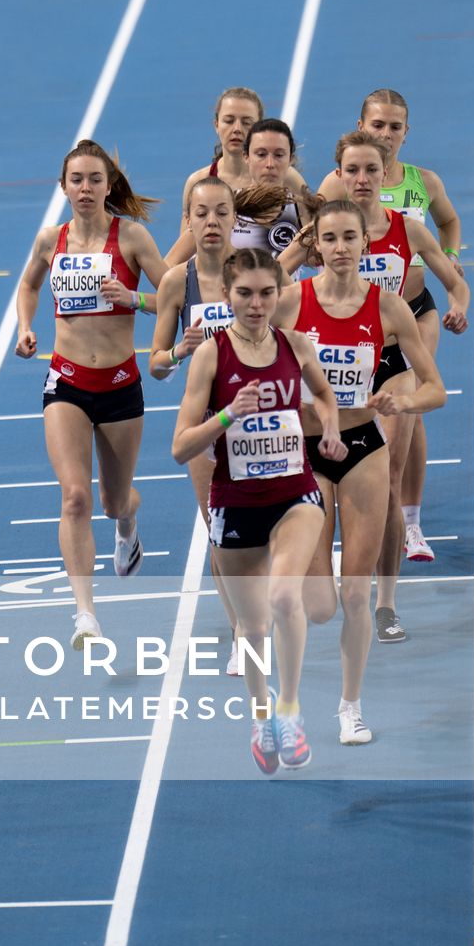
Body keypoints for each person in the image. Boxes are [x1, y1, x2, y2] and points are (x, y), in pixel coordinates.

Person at [172, 247, 346, 774]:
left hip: (295, 495)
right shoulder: (210, 355)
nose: (256, 304)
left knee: (285, 595)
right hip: (235, 501)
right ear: (227, 295)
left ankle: (290, 711)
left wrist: (330, 428)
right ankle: (262, 714)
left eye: (266, 293)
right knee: (251, 629)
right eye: (245, 294)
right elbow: (180, 447)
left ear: (278, 293)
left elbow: (325, 395)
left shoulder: (296, 344)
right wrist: (227, 415)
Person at [290, 198, 446, 730]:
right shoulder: (290, 302)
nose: (340, 248)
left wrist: (403, 401)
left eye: (349, 238)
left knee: (355, 594)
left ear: (365, 243)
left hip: (363, 448)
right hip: (307, 452)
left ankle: (350, 708)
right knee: (320, 606)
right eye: (329, 238)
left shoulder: (389, 308)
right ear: (317, 245)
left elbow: (435, 389)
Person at [15, 140, 166, 648]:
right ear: (63, 187)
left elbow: (174, 296)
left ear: (108, 185)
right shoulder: (49, 240)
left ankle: (128, 525)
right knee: (75, 497)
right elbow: (29, 286)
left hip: (120, 385)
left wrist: (135, 298)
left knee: (114, 502)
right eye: (76, 180)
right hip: (67, 383)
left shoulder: (132, 237)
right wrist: (25, 328)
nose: (85, 189)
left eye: (94, 180)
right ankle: (85, 615)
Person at [150, 174, 302, 677]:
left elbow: (294, 331)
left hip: (263, 422)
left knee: (271, 529)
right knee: (222, 537)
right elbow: (156, 363)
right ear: (188, 221)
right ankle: (242, 631)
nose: (211, 222)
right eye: (201, 214)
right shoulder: (177, 282)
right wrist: (180, 350)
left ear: (236, 220)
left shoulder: (259, 272)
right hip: (210, 426)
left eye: (221, 213)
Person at [322, 131, 469, 643]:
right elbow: (271, 278)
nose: (362, 179)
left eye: (371, 170)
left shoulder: (407, 229)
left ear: (386, 174)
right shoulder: (325, 230)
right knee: (326, 487)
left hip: (392, 360)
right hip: (338, 367)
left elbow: (456, 281)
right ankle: (336, 580)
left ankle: (384, 604)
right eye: (352, 170)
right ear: (339, 175)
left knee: (386, 480)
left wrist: (459, 307)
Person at [167, 117, 308, 268]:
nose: (270, 164)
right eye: (261, 154)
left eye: (279, 155)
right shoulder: (224, 206)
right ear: (246, 157)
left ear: (290, 159)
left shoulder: (299, 207)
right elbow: (169, 266)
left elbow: (316, 260)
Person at [175, 85, 265, 237]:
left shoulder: (284, 178)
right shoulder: (198, 183)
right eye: (229, 121)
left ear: (259, 128)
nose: (237, 129)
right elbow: (186, 245)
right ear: (216, 125)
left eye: (246, 122)